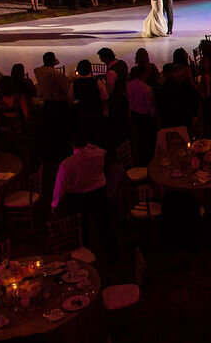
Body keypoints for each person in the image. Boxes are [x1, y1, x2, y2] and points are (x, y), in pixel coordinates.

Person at [51, 128, 112, 257]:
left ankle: (83, 255)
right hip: (99, 193)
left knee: (80, 228)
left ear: (72, 144)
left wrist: (55, 203)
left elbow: (60, 185)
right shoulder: (99, 154)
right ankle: (110, 253)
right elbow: (101, 150)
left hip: (78, 198)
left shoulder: (67, 164)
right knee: (103, 223)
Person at [127, 64, 157, 165]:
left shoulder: (129, 85)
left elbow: (129, 101)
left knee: (138, 139)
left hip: (134, 115)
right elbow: (150, 107)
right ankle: (149, 160)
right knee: (148, 140)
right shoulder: (147, 89)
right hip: (145, 117)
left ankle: (140, 160)